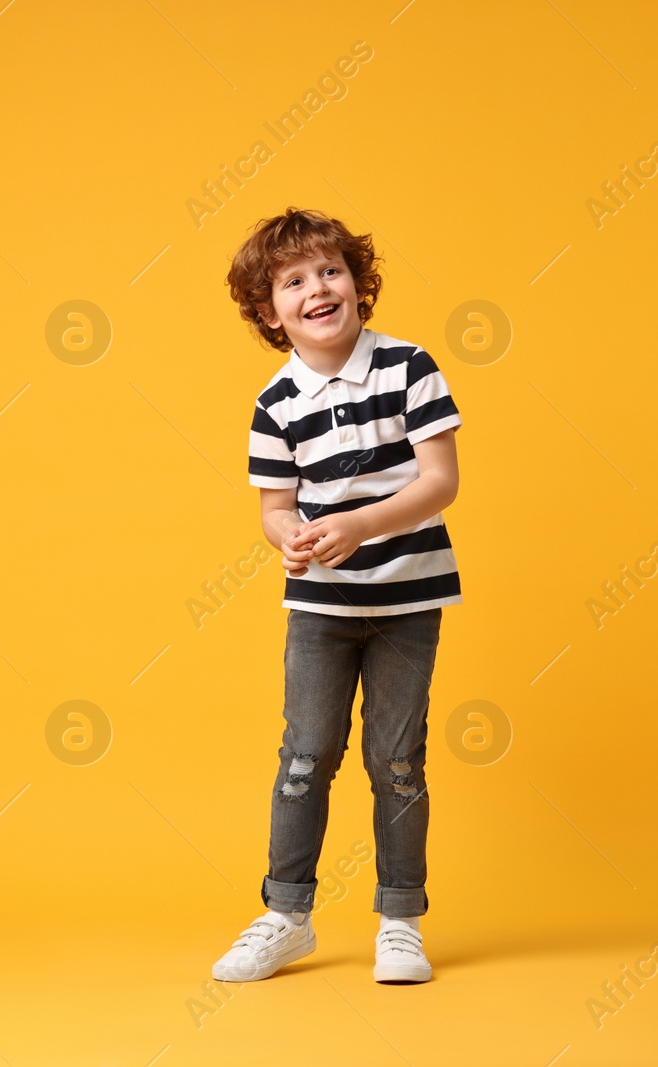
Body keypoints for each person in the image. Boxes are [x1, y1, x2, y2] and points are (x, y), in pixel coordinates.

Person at [213, 206, 463, 984]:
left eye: (330, 271)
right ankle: (286, 914)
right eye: (292, 281)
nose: (317, 289)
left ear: (358, 284)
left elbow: (440, 481)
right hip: (321, 611)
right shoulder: (274, 403)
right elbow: (274, 507)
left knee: (396, 760)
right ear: (268, 311)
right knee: (303, 758)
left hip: (406, 602)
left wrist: (358, 524)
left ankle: (400, 920)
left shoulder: (408, 367)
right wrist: (289, 536)